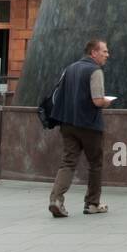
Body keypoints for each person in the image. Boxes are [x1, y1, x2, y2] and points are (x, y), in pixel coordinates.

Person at [48, 39, 115, 218]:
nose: (107, 55)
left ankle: (56, 199)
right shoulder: (95, 70)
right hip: (89, 125)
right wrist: (107, 102)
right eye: (105, 51)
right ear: (94, 52)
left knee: (68, 162)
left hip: (67, 124)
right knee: (95, 163)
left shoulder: (70, 68)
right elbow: (97, 100)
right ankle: (92, 204)